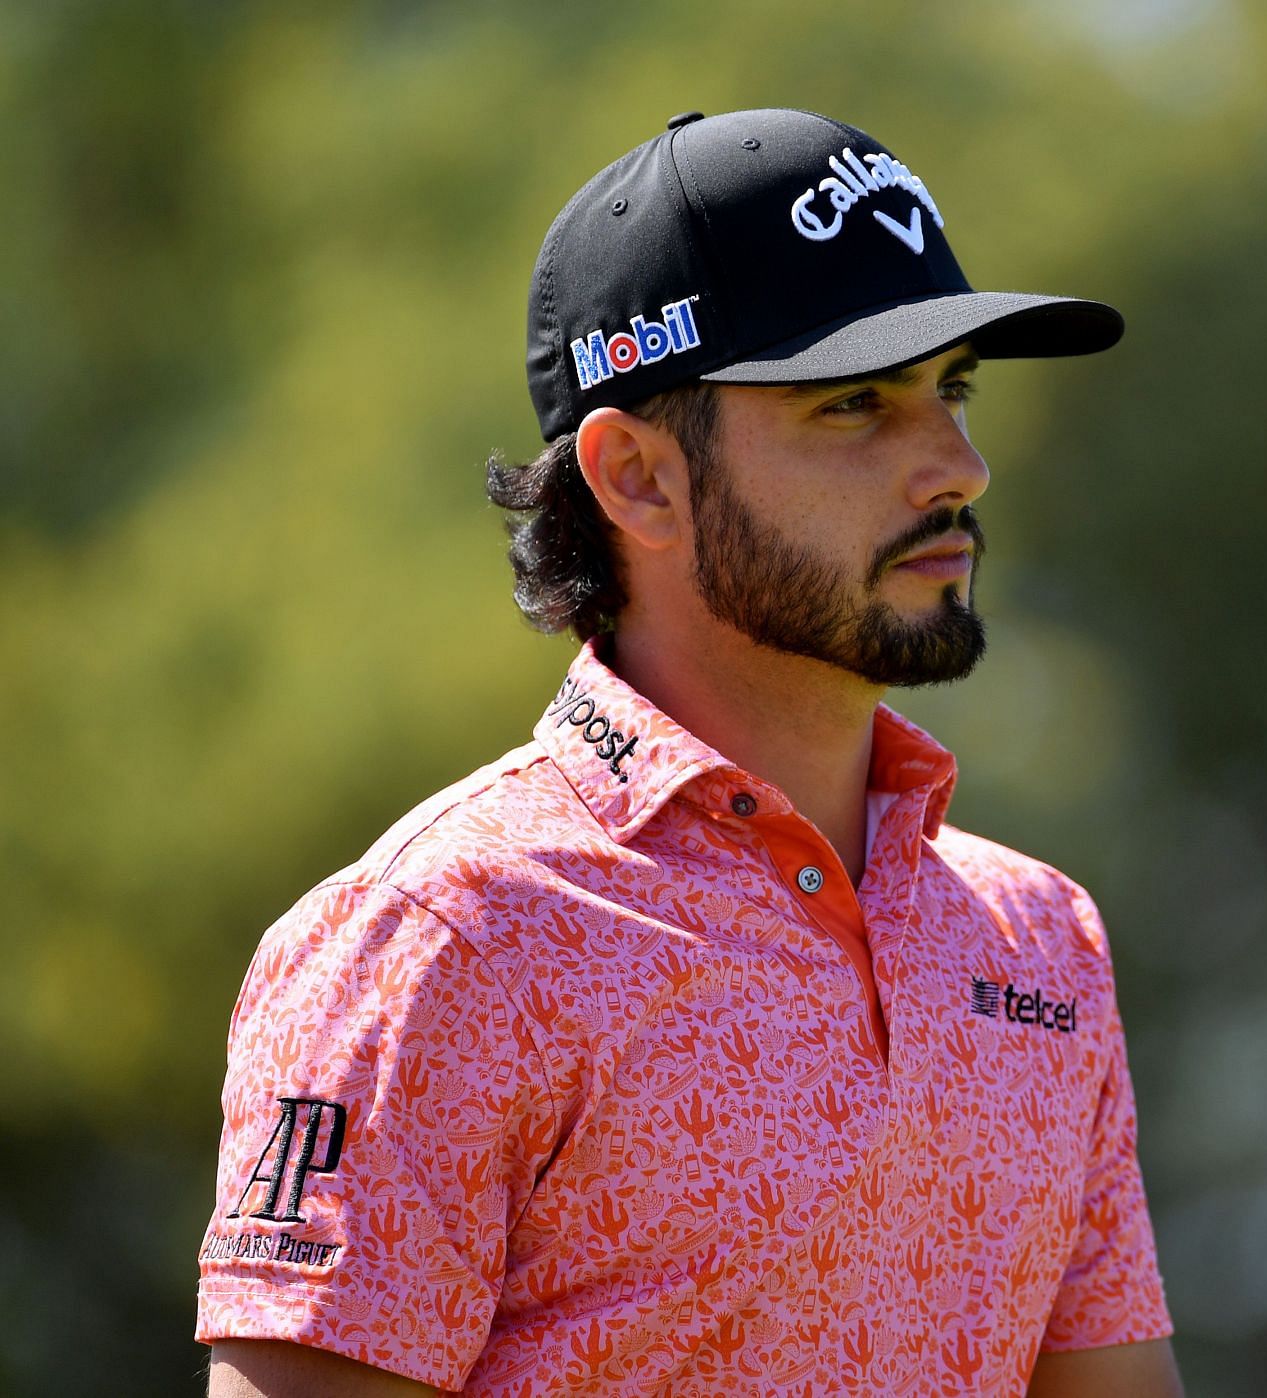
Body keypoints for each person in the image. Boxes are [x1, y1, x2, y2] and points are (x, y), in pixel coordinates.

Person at [197, 107, 1182, 1397]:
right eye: (854, 406)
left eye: (950, 392)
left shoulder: (1040, 939)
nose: (960, 467)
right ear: (637, 480)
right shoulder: (440, 941)